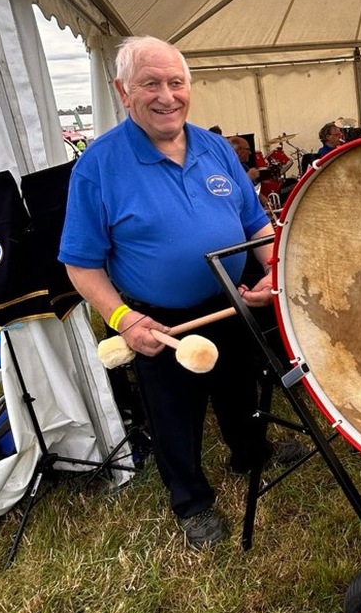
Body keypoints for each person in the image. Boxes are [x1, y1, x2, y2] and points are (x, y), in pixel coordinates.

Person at [59, 36, 303, 550]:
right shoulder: (98, 165)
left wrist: (272, 270)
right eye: (151, 83)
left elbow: (255, 222)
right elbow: (80, 265)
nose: (167, 95)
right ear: (123, 91)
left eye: (177, 82)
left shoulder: (215, 147)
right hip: (159, 320)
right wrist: (123, 318)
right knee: (174, 415)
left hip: (231, 299)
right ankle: (191, 502)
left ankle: (249, 453)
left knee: (239, 388)